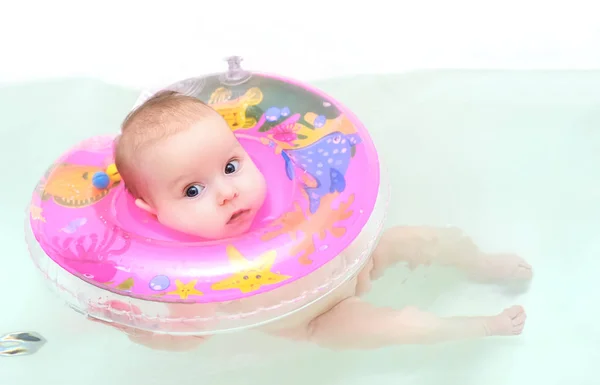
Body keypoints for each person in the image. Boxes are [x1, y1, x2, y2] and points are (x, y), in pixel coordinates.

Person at [105, 90, 532, 351]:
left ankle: (479, 263)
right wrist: (143, 331)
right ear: (152, 213)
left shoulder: (298, 192)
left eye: (231, 166)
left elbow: (338, 209)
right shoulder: (184, 277)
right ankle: (477, 328)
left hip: (357, 264)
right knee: (401, 327)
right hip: (316, 319)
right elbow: (190, 339)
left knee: (421, 239)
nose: (227, 192)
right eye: (192, 191)